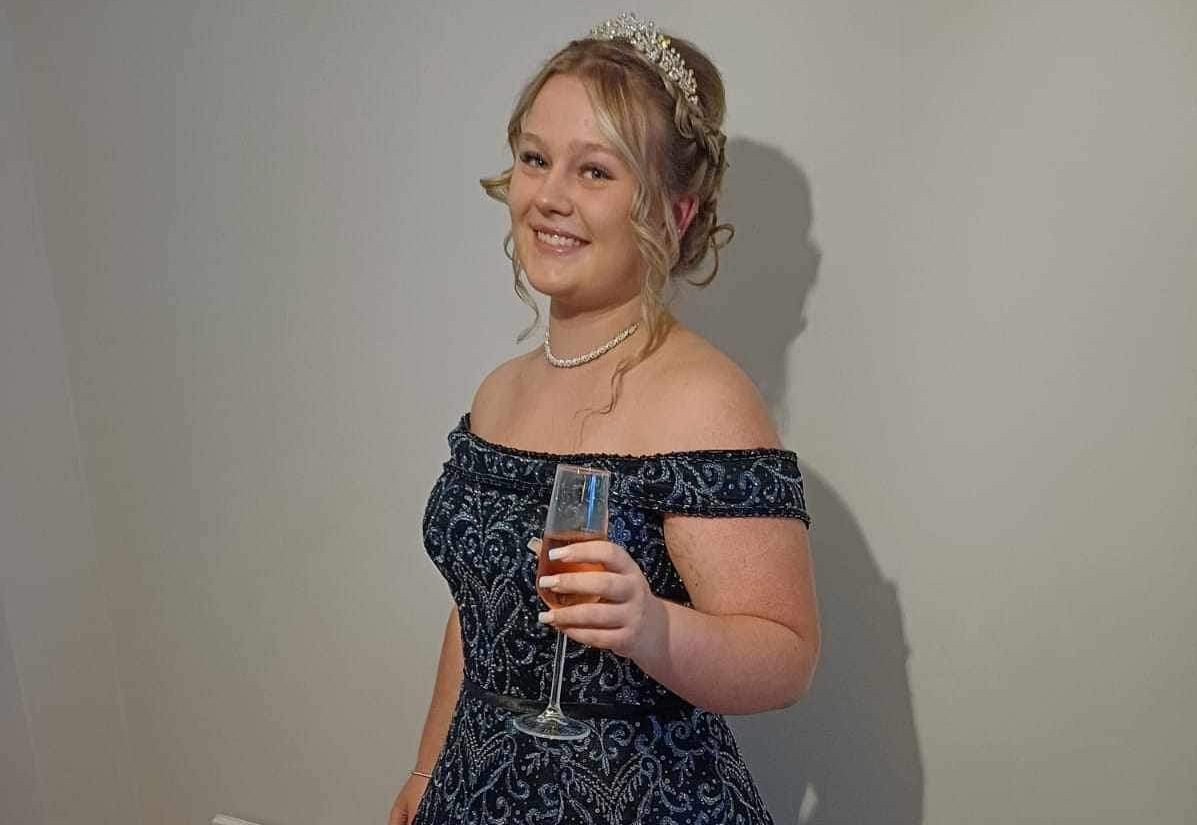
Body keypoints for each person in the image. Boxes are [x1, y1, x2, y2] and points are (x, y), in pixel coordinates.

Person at [388, 13, 820, 825]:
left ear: (674, 213)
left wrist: (652, 628)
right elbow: (478, 612)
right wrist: (425, 769)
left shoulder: (704, 399)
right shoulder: (499, 392)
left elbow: (785, 656)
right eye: (535, 159)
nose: (549, 197)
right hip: (473, 793)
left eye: (594, 171)